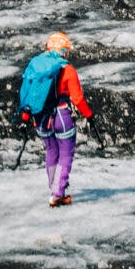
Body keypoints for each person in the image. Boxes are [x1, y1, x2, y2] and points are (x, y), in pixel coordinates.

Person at [18, 31, 92, 208]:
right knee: (65, 153)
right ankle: (57, 194)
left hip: (40, 118)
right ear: (64, 50)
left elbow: (28, 95)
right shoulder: (68, 69)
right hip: (61, 116)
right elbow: (77, 98)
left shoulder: (36, 67)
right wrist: (89, 115)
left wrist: (25, 117)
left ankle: (54, 187)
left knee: (51, 151)